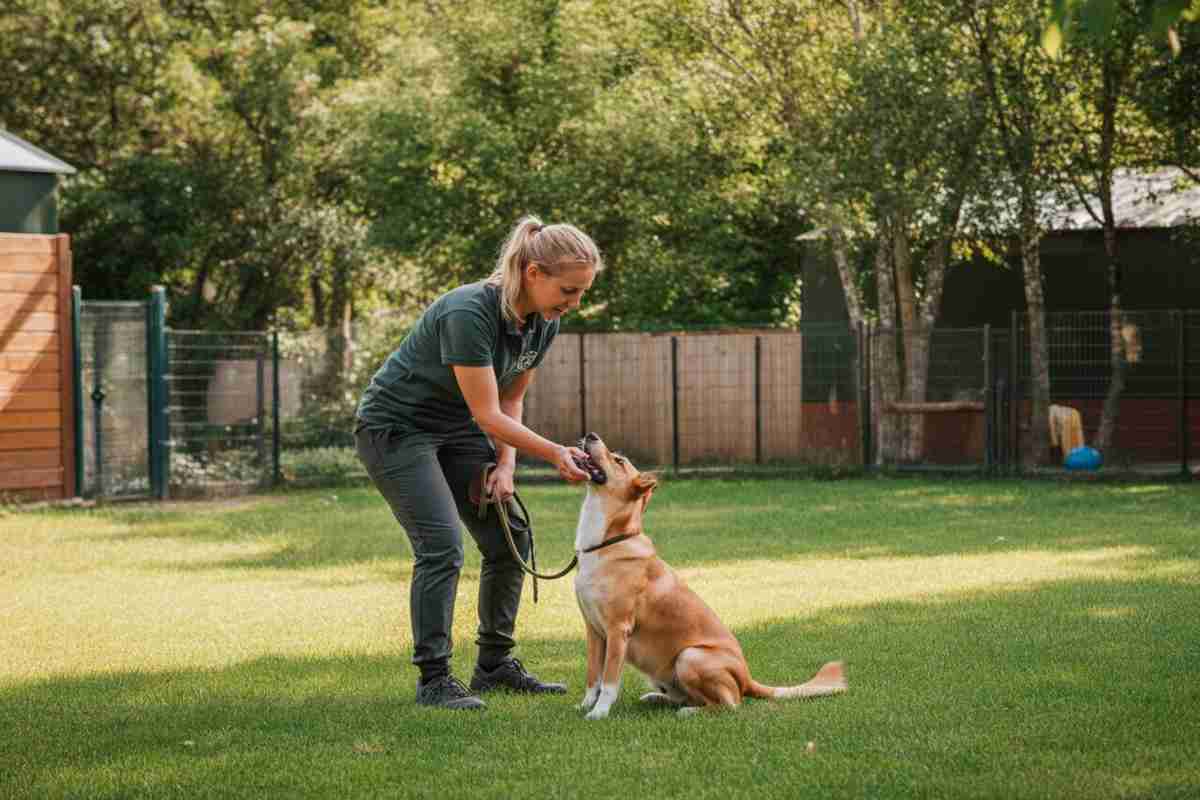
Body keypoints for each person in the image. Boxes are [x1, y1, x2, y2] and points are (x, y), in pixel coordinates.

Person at [354, 215, 599, 710]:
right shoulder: (469, 312)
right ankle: (435, 679)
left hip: (458, 431)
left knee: (510, 537)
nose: (573, 304)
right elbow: (486, 412)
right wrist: (553, 452)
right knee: (442, 546)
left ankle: (493, 665)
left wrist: (505, 467)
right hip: (398, 430)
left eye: (580, 293)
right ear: (533, 273)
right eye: (568, 291)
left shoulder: (541, 324)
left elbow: (510, 403)